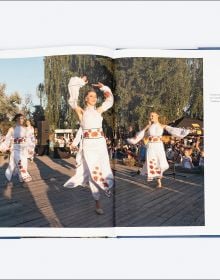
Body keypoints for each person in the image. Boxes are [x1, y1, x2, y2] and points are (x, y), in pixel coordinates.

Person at [64, 77, 114, 215]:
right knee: (93, 171)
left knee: (103, 167)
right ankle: (98, 202)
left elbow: (109, 101)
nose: (93, 98)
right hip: (89, 145)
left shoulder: (99, 111)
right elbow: (72, 101)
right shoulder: (81, 112)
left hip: (100, 144)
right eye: (90, 96)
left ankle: (104, 186)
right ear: (86, 99)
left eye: (95, 96)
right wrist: (79, 83)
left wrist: (104, 89)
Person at [127, 112, 190, 188]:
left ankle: (159, 175)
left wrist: (185, 132)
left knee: (161, 162)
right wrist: (146, 127)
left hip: (159, 146)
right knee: (153, 162)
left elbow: (173, 130)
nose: (151, 117)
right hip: (151, 146)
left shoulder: (162, 125)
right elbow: (143, 136)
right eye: (150, 116)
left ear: (157, 116)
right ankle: (159, 182)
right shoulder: (149, 127)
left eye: (152, 115)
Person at [0, 113, 34, 183]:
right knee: (19, 162)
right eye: (20, 118)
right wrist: (4, 147)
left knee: (24, 163)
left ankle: (21, 178)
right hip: (15, 149)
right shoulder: (12, 129)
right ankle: (25, 175)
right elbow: (7, 139)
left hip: (24, 149)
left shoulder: (25, 129)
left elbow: (29, 139)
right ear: (16, 119)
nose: (22, 120)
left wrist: (30, 149)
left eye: (23, 118)